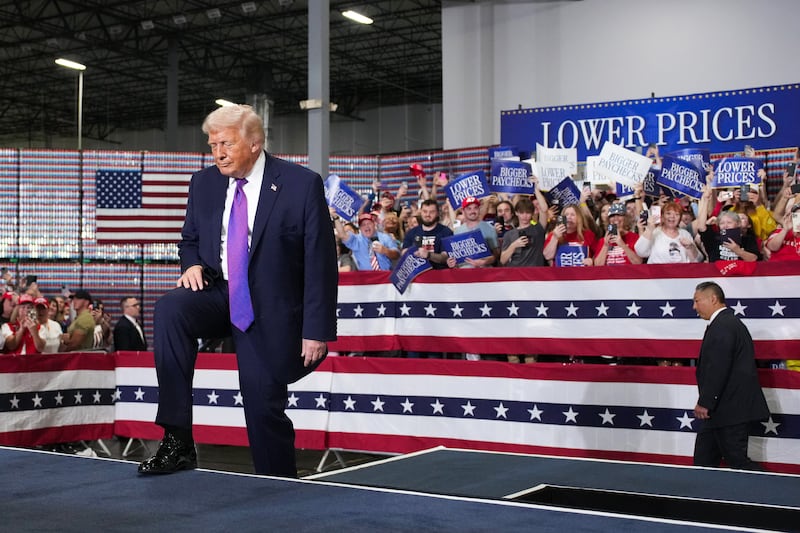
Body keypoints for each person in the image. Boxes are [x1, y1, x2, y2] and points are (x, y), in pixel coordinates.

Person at [138, 104, 337, 478]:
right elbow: (190, 240)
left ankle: (278, 485)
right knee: (170, 309)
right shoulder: (204, 183)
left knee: (263, 404)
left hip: (270, 308)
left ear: (255, 143)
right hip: (219, 293)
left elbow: (320, 262)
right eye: (213, 145)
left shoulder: (300, 184)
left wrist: (316, 330)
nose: (218, 153)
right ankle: (177, 440)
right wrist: (192, 263)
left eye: (226, 143)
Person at [691, 281, 769, 470]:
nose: (694, 307)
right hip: (719, 412)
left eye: (697, 301)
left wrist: (706, 401)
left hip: (730, 411)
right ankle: (700, 499)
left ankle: (774, 493)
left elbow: (718, 367)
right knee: (703, 462)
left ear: (713, 299)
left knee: (738, 462)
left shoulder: (724, 325)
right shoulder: (723, 323)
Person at [334, 211, 399, 271]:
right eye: (363, 225)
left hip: (384, 277)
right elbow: (342, 235)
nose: (366, 226)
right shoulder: (356, 240)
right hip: (366, 279)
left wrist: (386, 251)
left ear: (374, 224)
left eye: (369, 223)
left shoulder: (385, 237)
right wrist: (336, 218)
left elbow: (396, 255)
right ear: (360, 228)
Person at [402, 199, 453, 270]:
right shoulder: (411, 232)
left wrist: (429, 255)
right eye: (425, 211)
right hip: (417, 276)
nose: (427, 215)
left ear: (438, 213)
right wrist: (408, 253)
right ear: (421, 212)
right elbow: (403, 254)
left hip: (439, 274)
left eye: (431, 212)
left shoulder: (446, 232)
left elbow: (445, 257)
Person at [499, 197, 545, 267]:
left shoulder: (538, 229)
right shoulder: (509, 234)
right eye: (521, 213)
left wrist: (535, 189)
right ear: (516, 213)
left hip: (535, 273)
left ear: (532, 213)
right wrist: (514, 245)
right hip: (515, 273)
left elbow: (544, 209)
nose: (524, 216)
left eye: (528, 213)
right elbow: (502, 260)